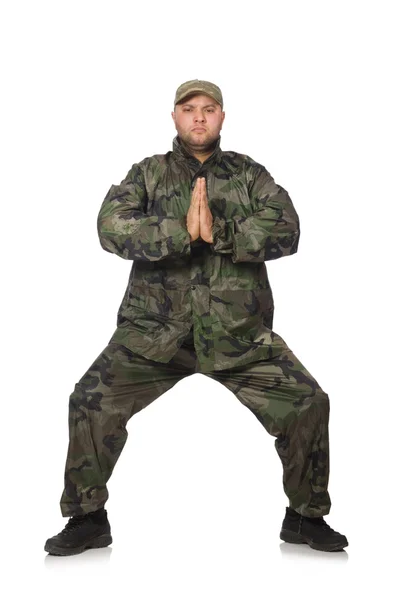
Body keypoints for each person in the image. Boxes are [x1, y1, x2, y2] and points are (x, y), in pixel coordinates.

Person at [44, 79, 348, 556]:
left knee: (309, 402)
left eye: (209, 109)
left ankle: (306, 519)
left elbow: (287, 229)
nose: (199, 117)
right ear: (175, 117)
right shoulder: (147, 174)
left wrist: (220, 230)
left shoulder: (250, 174)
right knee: (89, 401)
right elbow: (110, 227)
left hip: (239, 336)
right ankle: (87, 519)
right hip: (154, 336)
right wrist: (179, 232)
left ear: (222, 117)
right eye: (189, 109)